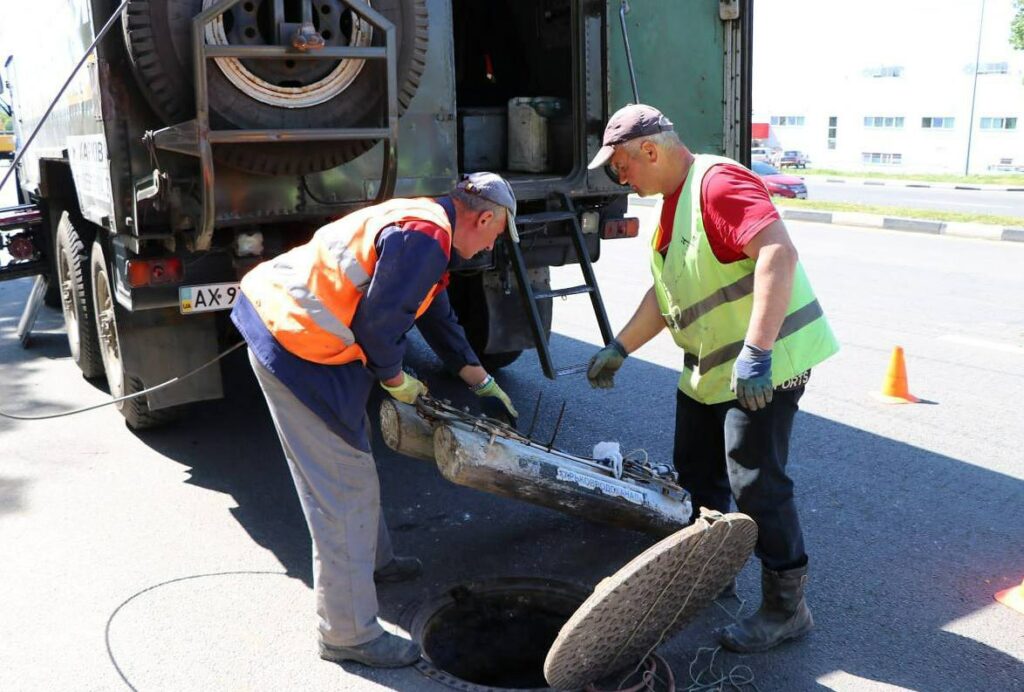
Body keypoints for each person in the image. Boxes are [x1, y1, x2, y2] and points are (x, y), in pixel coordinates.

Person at [230, 173, 520, 668]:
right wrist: (395, 380)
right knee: (343, 488)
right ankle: (347, 633)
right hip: (294, 341)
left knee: (351, 457)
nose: (489, 248)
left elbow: (434, 314)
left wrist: (479, 378)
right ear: (484, 217)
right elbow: (377, 325)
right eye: (495, 237)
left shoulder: (430, 226)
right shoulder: (425, 236)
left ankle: (376, 563)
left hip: (291, 324)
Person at [585, 105, 839, 653]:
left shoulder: (717, 184)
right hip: (709, 372)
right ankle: (714, 571)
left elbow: (778, 252)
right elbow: (668, 294)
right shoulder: (674, 209)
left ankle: (785, 607)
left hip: (764, 365)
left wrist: (757, 352)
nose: (620, 178)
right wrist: (620, 347)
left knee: (757, 483)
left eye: (622, 167)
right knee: (698, 470)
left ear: (649, 150)